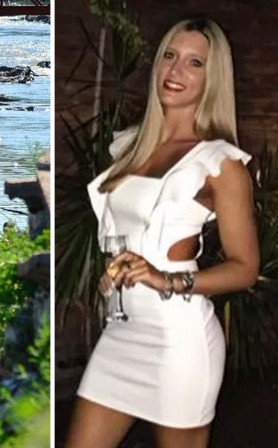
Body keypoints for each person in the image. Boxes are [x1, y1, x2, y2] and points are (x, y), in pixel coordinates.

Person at [66, 18, 259, 448]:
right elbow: (126, 233)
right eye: (170, 56)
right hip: (122, 331)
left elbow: (245, 268)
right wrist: (116, 272)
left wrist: (165, 278)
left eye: (195, 63)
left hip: (179, 340)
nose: (176, 71)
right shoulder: (131, 146)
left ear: (213, 78)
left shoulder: (219, 162)